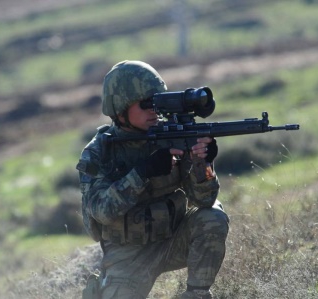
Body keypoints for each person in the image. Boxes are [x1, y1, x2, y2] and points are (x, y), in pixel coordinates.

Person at [77, 60, 229, 299]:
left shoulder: (170, 137)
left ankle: (196, 294)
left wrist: (204, 164)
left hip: (172, 239)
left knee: (213, 217)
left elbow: (205, 200)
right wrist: (143, 172)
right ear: (120, 109)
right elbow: (101, 210)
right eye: (146, 104)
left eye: (156, 102)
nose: (154, 111)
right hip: (127, 256)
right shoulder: (99, 152)